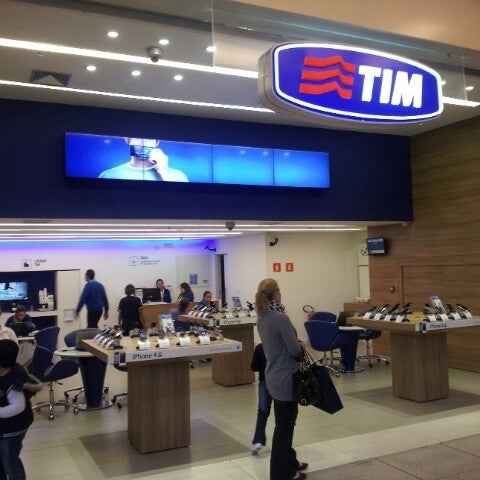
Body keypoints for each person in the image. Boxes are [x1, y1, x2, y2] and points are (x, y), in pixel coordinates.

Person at [255, 278, 308, 480]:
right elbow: (294, 350)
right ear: (276, 293)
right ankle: (280, 473)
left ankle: (290, 461)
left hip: (273, 376)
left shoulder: (262, 317)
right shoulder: (280, 318)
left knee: (285, 423)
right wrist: (301, 344)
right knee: (284, 427)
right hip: (286, 377)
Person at [0, 339, 42, 480]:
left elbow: (17, 407)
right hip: (4, 427)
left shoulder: (14, 381)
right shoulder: (5, 370)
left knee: (10, 461)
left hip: (13, 428)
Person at [99, 137, 189, 182]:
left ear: (157, 142)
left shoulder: (178, 176)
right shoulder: (107, 175)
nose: (143, 143)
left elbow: (184, 204)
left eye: (149, 138)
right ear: (128, 140)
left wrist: (164, 173)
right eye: (138, 138)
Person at [251, 343, 272, 455]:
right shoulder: (281, 345)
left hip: (264, 382)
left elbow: (254, 367)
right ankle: (281, 442)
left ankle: (258, 440)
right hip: (280, 382)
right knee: (282, 413)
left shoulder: (260, 348)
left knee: (263, 412)